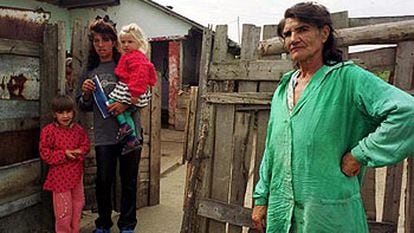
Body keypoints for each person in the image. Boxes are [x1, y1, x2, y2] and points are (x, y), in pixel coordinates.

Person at [251, 2, 414, 233]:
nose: (293, 38)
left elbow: (407, 112)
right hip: (282, 213)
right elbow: (271, 147)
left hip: (329, 216)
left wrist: (359, 154)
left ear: (324, 33)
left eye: (303, 29)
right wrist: (261, 198)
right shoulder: (284, 87)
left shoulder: (348, 78)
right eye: (287, 34)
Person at [76, 16, 142, 233]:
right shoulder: (89, 72)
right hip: (104, 136)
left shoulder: (127, 63)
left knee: (129, 181)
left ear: (114, 42)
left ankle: (127, 225)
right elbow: (83, 106)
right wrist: (85, 95)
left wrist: (125, 106)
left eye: (105, 40)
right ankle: (103, 223)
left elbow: (141, 93)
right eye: (96, 41)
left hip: (130, 135)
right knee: (104, 180)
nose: (101, 45)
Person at [39, 94, 90, 233]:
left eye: (68, 111)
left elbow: (85, 145)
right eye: (61, 112)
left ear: (74, 112)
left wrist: (80, 151)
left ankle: (75, 230)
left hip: (76, 175)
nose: (65, 116)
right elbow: (45, 153)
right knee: (63, 211)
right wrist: (64, 154)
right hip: (59, 179)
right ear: (54, 114)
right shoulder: (48, 131)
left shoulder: (78, 130)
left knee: (78, 205)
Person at [109, 23, 157, 153]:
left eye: (130, 41)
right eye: (123, 42)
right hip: (130, 87)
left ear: (139, 42)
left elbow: (139, 76)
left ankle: (125, 127)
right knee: (126, 112)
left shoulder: (137, 57)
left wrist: (135, 93)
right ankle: (132, 139)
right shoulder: (129, 56)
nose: (126, 45)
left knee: (111, 102)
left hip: (131, 89)